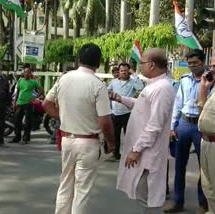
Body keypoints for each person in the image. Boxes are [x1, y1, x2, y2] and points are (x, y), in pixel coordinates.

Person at [43, 43, 115, 214]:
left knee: (66, 183)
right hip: (88, 143)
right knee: (82, 189)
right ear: (98, 63)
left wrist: (63, 117)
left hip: (67, 139)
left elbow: (46, 104)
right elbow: (105, 120)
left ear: (78, 60)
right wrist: (112, 143)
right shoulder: (98, 85)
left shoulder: (64, 78)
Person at [112, 48, 176, 213]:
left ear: (152, 65)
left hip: (149, 152)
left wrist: (136, 150)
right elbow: (141, 106)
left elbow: (155, 125)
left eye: (142, 63)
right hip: (145, 150)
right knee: (143, 195)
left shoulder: (162, 88)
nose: (139, 67)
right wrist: (120, 98)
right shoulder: (153, 85)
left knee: (147, 198)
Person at [164, 49, 208, 213]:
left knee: (204, 167)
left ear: (202, 63)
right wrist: (172, 127)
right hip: (183, 124)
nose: (192, 67)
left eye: (195, 63)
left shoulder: (210, 80)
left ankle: (203, 203)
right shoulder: (184, 80)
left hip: (201, 126)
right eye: (189, 64)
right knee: (179, 165)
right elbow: (178, 103)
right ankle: (178, 201)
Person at [197, 52, 215, 214]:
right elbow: (202, 110)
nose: (212, 69)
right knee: (208, 189)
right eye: (211, 66)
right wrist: (203, 87)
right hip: (206, 144)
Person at [107, 62, 144, 161]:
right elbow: (107, 91)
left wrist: (134, 74)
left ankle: (130, 155)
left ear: (129, 72)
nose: (123, 73)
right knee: (115, 135)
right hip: (115, 113)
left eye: (126, 71)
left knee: (129, 136)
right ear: (119, 72)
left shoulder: (133, 82)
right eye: (121, 71)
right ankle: (115, 154)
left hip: (128, 113)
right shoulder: (114, 82)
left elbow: (141, 87)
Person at [10, 65, 43, 145]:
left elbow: (41, 90)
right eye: (25, 72)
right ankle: (17, 137)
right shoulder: (20, 81)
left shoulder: (33, 82)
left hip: (28, 104)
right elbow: (17, 92)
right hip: (19, 103)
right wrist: (15, 102)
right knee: (17, 121)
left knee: (27, 122)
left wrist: (34, 97)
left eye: (28, 72)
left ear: (30, 73)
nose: (27, 73)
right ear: (23, 73)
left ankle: (25, 138)